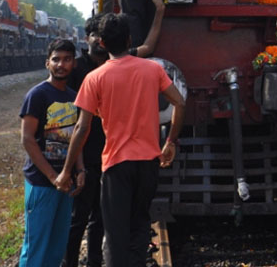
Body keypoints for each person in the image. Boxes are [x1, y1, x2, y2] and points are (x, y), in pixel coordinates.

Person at [55, 14, 185, 267]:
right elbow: (179, 102)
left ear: (102, 43)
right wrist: (171, 141)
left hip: (116, 165)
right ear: (128, 39)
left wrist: (67, 169)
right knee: (139, 226)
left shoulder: (95, 78)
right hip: (148, 163)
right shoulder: (152, 69)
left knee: (115, 233)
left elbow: (81, 127)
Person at [19, 38, 83, 267]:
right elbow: (27, 139)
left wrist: (79, 169)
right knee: (36, 248)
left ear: (74, 63)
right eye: (56, 59)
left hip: (64, 183)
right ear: (47, 63)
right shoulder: (37, 95)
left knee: (56, 248)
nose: (61, 64)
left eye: (66, 60)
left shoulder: (74, 96)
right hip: (42, 182)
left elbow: (77, 137)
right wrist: (52, 176)